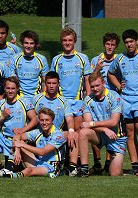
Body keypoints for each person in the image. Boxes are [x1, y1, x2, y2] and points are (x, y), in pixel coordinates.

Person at [108, 29, 138, 175]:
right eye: (126, 42)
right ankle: (135, 165)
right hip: (126, 100)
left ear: (136, 41)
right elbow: (110, 73)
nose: (129, 44)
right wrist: (119, 86)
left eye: (131, 41)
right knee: (130, 133)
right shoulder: (120, 58)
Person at [50, 27, 92, 176]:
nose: (67, 43)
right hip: (62, 102)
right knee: (64, 133)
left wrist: (87, 99)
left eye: (70, 40)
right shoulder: (56, 60)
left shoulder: (82, 58)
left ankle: (76, 165)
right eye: (65, 40)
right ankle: (64, 162)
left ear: (74, 41)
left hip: (78, 101)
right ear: (62, 42)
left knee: (79, 132)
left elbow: (87, 80)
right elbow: (51, 81)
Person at [0, 108, 66, 178]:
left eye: (47, 120)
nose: (44, 123)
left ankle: (7, 175)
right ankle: (9, 169)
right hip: (39, 162)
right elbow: (18, 136)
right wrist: (17, 149)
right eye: (42, 120)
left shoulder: (58, 135)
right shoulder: (38, 132)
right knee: (18, 141)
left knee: (29, 170)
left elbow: (42, 152)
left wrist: (22, 145)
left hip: (52, 166)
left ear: (52, 121)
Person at [78, 71, 127, 177]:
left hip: (116, 136)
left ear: (104, 83)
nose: (95, 89)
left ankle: (116, 167)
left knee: (114, 174)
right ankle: (84, 169)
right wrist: (104, 129)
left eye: (97, 85)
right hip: (100, 134)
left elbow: (114, 122)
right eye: (92, 86)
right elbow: (86, 125)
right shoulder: (88, 99)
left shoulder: (114, 97)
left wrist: (92, 124)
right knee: (83, 132)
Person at [89, 32, 120, 175]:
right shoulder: (96, 59)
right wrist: (96, 69)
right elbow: (90, 80)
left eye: (113, 44)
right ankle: (96, 163)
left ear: (116, 46)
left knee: (110, 131)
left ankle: (108, 164)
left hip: (112, 102)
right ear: (104, 44)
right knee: (95, 129)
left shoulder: (119, 60)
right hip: (96, 100)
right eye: (108, 44)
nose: (110, 47)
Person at [0, 76, 38, 171]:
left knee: (13, 169)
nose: (10, 91)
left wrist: (22, 130)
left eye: (13, 88)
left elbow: (35, 120)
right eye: (8, 88)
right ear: (4, 88)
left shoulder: (24, 102)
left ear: (17, 89)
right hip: (4, 139)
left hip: (18, 140)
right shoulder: (0, 104)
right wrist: (3, 116)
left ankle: (14, 164)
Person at [9, 30, 49, 101]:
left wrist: (43, 98)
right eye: (26, 43)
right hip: (19, 98)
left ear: (35, 44)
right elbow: (12, 81)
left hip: (36, 98)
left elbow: (45, 81)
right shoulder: (14, 58)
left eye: (31, 43)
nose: (28, 46)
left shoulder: (42, 59)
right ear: (22, 44)